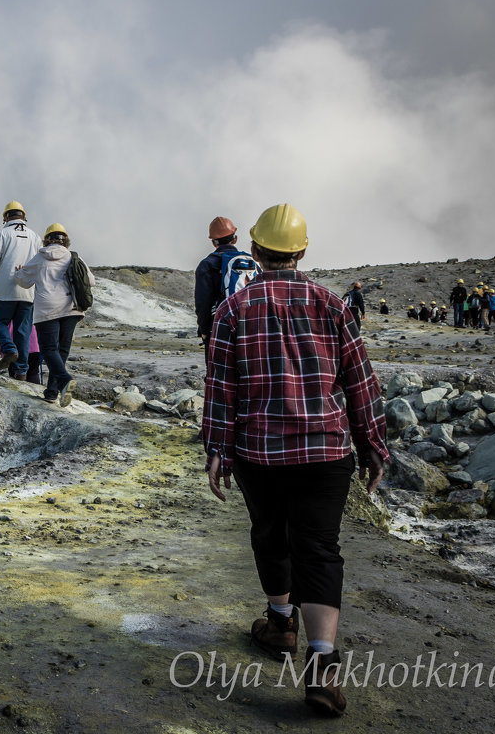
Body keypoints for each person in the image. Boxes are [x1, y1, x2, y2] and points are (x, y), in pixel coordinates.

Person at [203, 203, 388, 717]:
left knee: (269, 531)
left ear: (256, 251)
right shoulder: (333, 306)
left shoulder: (231, 310)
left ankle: (281, 622)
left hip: (259, 452)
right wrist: (373, 444)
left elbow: (222, 389)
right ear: (302, 251)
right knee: (319, 548)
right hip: (326, 452)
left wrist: (218, 448)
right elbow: (361, 383)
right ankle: (323, 665)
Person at [15, 223, 94, 406]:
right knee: (62, 350)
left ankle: (65, 381)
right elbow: (91, 281)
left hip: (47, 310)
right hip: (72, 308)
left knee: (49, 350)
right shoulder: (74, 257)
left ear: (47, 239)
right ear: (65, 239)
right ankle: (52, 392)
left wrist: (18, 272)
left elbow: (24, 282)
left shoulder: (40, 258)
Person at [0, 201, 40, 379]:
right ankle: (21, 373)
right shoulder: (35, 236)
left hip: (5, 290)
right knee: (23, 331)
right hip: (27, 292)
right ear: (23, 216)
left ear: (5, 217)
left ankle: (9, 348)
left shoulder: (2, 233)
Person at [194, 216, 257, 353]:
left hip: (219, 327)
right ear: (235, 239)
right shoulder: (250, 261)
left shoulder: (207, 265)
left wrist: (204, 330)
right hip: (251, 326)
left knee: (217, 372)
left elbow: (203, 303)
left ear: (213, 242)